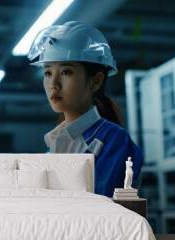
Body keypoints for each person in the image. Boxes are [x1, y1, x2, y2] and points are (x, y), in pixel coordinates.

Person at [27, 21, 143, 197]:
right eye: (48, 73)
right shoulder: (54, 144)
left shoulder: (115, 142)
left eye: (66, 72)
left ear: (96, 81)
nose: (54, 84)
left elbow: (101, 207)